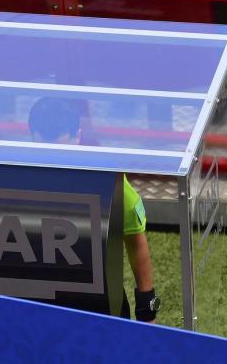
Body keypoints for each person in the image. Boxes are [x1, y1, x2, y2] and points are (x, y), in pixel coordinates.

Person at [28, 97, 160, 323]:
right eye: (42, 147)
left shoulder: (107, 179)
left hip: (97, 307)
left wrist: (147, 308)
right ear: (30, 137)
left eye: (59, 148)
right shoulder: (16, 173)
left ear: (77, 137)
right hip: (35, 302)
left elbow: (135, 239)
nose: (50, 158)